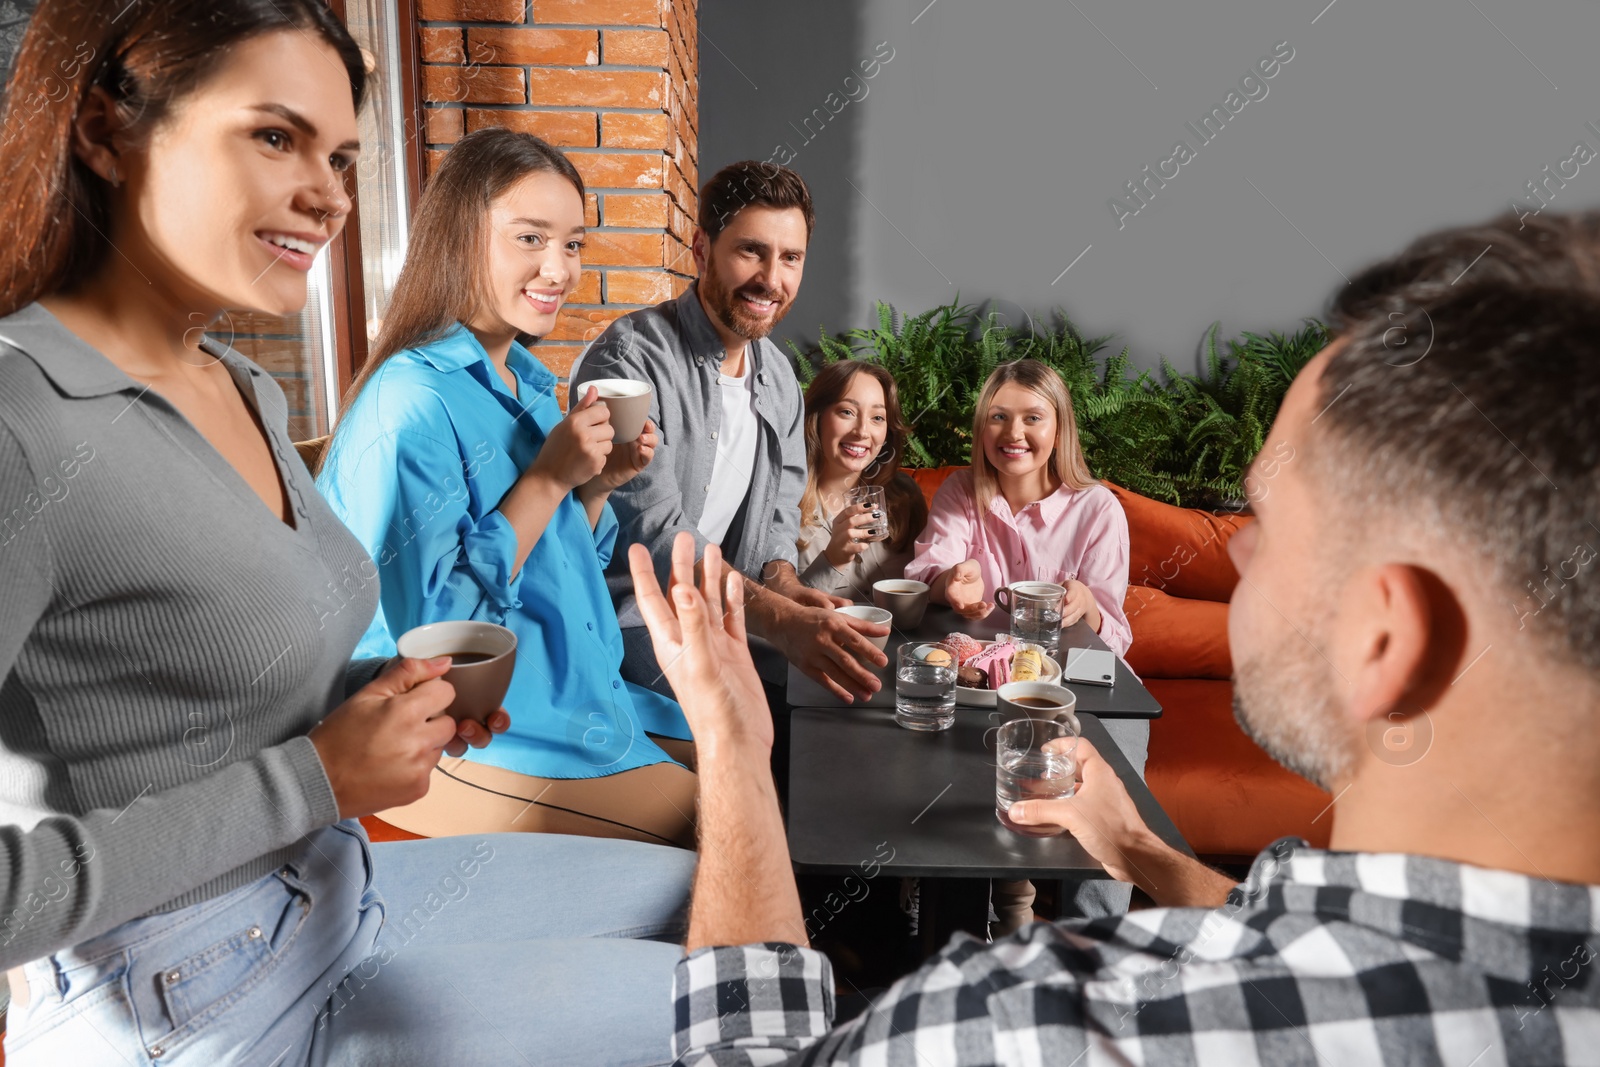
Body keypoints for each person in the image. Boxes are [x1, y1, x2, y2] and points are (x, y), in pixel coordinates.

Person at [634, 210, 1600, 1065]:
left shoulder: (1029, 1021)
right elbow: (1302, 935)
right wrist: (1137, 845)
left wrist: (732, 743)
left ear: (1383, 639)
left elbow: (743, 1052)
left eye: (1268, 523)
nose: (1243, 553)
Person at [0, 4, 690, 1064]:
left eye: (341, 155)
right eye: (274, 136)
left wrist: (383, 695)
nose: (327, 193)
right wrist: (315, 777)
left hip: (331, 894)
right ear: (104, 132)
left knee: (716, 912)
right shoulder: (20, 420)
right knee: (742, 1007)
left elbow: (235, 670)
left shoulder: (239, 387)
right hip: (195, 998)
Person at [316, 128, 697, 849]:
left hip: (578, 700)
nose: (559, 268)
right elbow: (439, 641)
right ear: (461, 239)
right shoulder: (412, 403)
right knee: (727, 825)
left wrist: (592, 486)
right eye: (530, 238)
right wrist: (551, 475)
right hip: (466, 733)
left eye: (574, 244)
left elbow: (550, 566)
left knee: (758, 770)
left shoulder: (528, 384)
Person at [570, 161, 889, 706]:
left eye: (790, 258)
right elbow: (657, 536)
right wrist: (779, 618)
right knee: (756, 716)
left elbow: (779, 518)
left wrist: (788, 589)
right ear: (701, 249)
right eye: (750, 251)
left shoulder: (781, 377)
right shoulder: (630, 361)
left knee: (847, 705)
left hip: (733, 617)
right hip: (630, 622)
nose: (772, 279)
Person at [904, 357, 1136, 926]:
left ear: (1059, 429)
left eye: (1033, 417)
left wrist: (1089, 609)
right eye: (999, 417)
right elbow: (929, 569)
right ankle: (954, 944)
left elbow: (1119, 640)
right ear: (982, 427)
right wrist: (949, 583)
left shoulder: (1097, 508)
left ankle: (1098, 953)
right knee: (947, 774)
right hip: (987, 694)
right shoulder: (962, 491)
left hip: (1077, 694)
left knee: (1114, 793)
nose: (1014, 434)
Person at [795, 359, 927, 599]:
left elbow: (931, 585)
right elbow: (772, 618)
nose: (862, 432)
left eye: (877, 418)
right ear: (816, 418)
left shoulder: (905, 496)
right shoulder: (783, 506)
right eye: (847, 412)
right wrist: (833, 559)